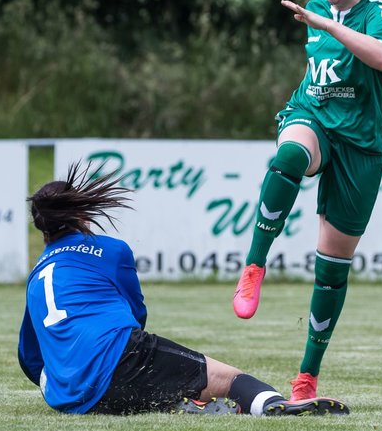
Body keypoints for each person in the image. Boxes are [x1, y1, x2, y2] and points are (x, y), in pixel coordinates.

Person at [18, 164, 349, 417]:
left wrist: (67, 378)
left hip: (73, 400)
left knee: (156, 386)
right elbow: (137, 315)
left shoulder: (35, 276)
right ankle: (271, 404)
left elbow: (30, 359)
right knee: (229, 378)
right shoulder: (109, 250)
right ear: (81, 214)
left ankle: (185, 402)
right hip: (120, 357)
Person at [230, 0, 382, 403]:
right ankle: (254, 266)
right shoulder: (315, 3)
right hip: (313, 116)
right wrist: (323, 17)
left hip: (361, 145)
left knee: (331, 269)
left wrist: (329, 24)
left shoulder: (380, 11)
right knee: (289, 155)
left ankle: (306, 378)